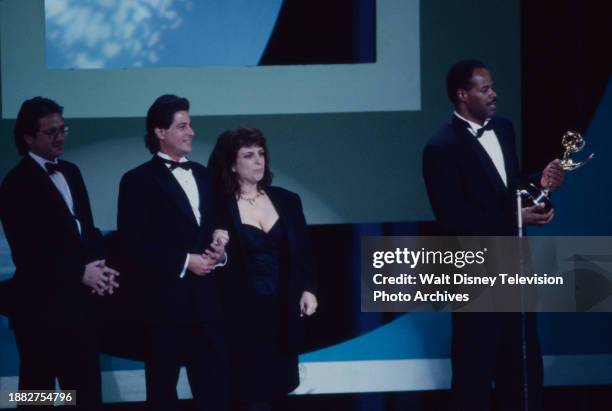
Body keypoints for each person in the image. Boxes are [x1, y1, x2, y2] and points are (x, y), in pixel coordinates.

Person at [422, 60, 565, 411]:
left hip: (516, 270)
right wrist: (516, 217)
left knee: (522, 367)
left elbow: (507, 187)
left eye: (492, 87)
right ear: (462, 95)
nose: (494, 94)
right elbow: (453, 218)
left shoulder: (504, 128)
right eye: (484, 89)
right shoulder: (440, 147)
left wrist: (538, 183)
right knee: (474, 372)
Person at [0, 97, 119, 411]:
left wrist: (99, 265)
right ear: (28, 137)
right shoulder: (15, 184)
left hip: (79, 308)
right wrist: (81, 273)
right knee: (36, 395)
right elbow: (29, 252)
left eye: (62, 129)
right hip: (39, 310)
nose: (60, 137)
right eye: (50, 132)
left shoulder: (71, 171)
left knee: (84, 394)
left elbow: (87, 229)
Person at [117, 94, 229, 411]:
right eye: (182, 126)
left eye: (190, 125)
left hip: (208, 305)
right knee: (163, 394)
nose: (191, 132)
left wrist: (220, 252)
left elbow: (215, 228)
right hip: (164, 307)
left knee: (214, 392)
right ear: (160, 132)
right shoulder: (137, 180)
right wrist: (184, 261)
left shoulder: (206, 176)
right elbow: (132, 246)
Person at [208, 127, 318, 411]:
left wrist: (308, 288)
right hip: (242, 316)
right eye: (248, 155)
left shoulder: (288, 200)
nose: (259, 161)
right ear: (232, 164)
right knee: (249, 394)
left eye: (261, 154)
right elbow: (217, 260)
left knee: (279, 389)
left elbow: (303, 251)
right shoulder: (217, 206)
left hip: (283, 312)